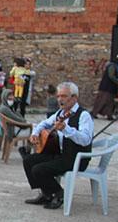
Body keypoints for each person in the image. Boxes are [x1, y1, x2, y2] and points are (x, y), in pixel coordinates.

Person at [23, 82, 93, 210]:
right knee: (28, 160)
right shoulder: (60, 113)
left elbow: (85, 140)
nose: (60, 99)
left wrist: (66, 129)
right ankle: (46, 194)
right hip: (60, 154)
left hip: (76, 158)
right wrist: (35, 133)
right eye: (58, 96)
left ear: (74, 98)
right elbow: (44, 123)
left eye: (64, 96)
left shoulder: (84, 116)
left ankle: (59, 193)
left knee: (39, 169)